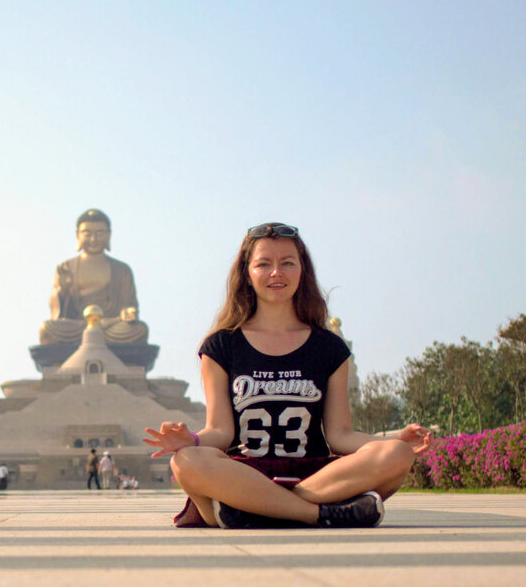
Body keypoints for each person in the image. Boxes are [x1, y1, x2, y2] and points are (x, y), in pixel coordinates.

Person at [144, 223, 432, 529]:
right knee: (186, 461)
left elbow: (339, 436)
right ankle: (319, 514)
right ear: (247, 273)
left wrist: (387, 441)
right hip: (243, 472)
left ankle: (255, 508)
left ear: (302, 271)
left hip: (316, 475)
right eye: (264, 264)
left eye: (287, 263)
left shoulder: (329, 347)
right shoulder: (220, 345)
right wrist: (190, 439)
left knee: (398, 455)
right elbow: (221, 431)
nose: (275, 273)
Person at [40, 209, 149, 345]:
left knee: (139, 330)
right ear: (77, 235)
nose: (93, 239)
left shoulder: (122, 270)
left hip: (111, 326)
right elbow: (58, 313)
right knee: (48, 330)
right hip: (77, 327)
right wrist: (62, 292)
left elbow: (129, 307)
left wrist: (127, 314)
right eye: (87, 234)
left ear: (108, 235)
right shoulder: (66, 268)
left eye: (99, 233)